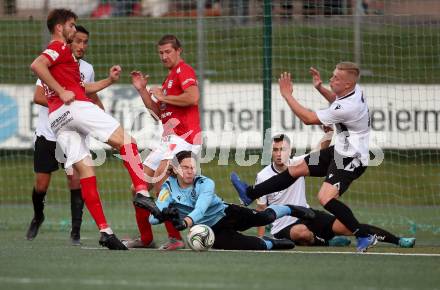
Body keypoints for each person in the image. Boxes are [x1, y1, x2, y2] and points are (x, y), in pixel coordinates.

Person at [30, 8, 156, 250]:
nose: (74, 30)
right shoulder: (58, 47)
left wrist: (109, 81)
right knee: (127, 142)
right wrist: (60, 90)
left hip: (58, 120)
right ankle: (141, 191)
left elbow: (82, 86)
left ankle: (105, 231)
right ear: (60, 28)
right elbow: (37, 65)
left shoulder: (67, 57)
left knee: (86, 173)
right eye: (71, 25)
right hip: (73, 107)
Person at [231, 62, 378, 252]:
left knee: (325, 198)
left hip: (351, 158)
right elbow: (336, 99)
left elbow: (308, 119)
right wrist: (320, 89)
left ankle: (364, 235)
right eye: (332, 75)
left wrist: (287, 95)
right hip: (341, 149)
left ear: (348, 84)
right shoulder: (354, 91)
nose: (331, 79)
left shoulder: (348, 106)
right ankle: (250, 193)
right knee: (296, 169)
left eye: (336, 78)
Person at [255, 134, 416, 248]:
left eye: (282, 149)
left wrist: (329, 133)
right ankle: (327, 242)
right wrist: (261, 239)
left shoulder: (297, 164)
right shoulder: (263, 176)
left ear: (289, 150)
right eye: (275, 150)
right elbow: (261, 209)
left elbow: (318, 153)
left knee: (348, 226)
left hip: (307, 214)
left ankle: (397, 240)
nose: (278, 153)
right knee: (301, 233)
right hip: (283, 227)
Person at [145, 151, 319, 251]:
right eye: (185, 167)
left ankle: (290, 208)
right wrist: (163, 215)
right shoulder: (167, 189)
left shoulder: (205, 183)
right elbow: (153, 219)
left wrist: (184, 222)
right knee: (252, 245)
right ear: (175, 168)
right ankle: (272, 242)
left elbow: (200, 209)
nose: (191, 171)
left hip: (227, 214)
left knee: (264, 218)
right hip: (211, 231)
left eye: (193, 167)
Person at [26, 25, 103, 246]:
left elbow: (91, 96)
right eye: (77, 41)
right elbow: (38, 96)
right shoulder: (53, 60)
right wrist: (62, 99)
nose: (81, 46)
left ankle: (75, 232)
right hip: (48, 133)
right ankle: (38, 216)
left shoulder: (87, 69)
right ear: (69, 41)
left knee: (75, 179)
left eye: (85, 42)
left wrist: (101, 118)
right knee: (41, 184)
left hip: (72, 134)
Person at [128, 35, 202, 250]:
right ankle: (146, 239)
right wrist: (143, 90)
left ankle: (175, 238)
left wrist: (164, 96)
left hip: (185, 137)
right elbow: (159, 114)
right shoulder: (168, 79)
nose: (164, 56)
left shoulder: (184, 70)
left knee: (162, 183)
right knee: (137, 188)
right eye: (161, 53)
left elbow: (193, 97)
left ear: (179, 51)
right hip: (168, 139)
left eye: (168, 51)